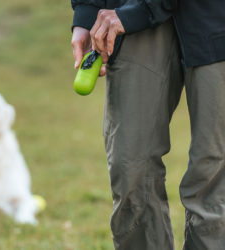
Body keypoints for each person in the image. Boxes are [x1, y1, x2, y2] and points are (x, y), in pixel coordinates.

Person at [70, 1, 225, 249]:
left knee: (214, 174)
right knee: (130, 165)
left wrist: (143, 10)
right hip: (128, 15)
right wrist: (87, 10)